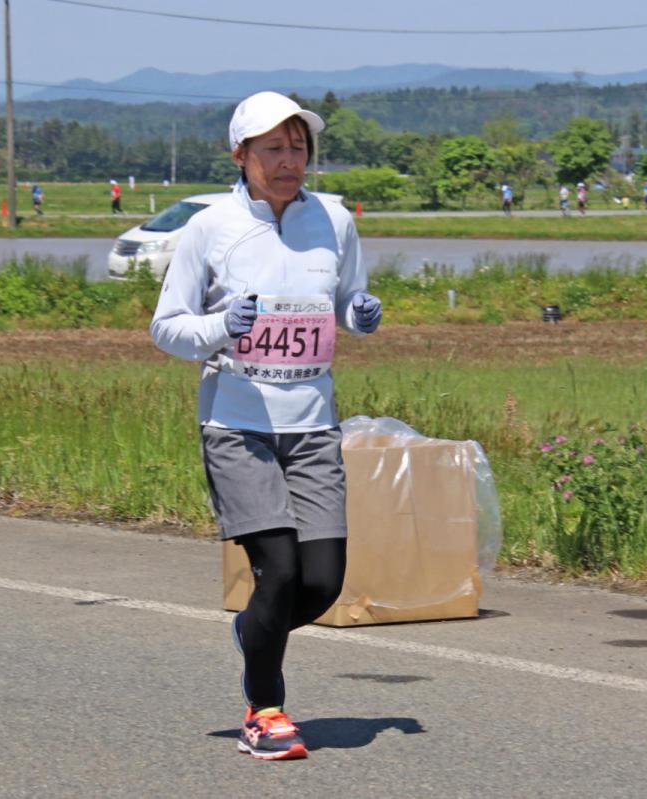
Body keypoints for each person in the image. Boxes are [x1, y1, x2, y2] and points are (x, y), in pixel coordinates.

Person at [150, 90, 381, 762]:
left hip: (312, 421)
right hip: (236, 419)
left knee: (323, 580)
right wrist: (224, 326)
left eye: (299, 147)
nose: (289, 161)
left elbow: (346, 300)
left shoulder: (334, 220)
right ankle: (266, 711)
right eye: (273, 149)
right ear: (241, 156)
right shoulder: (209, 228)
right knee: (277, 570)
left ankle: (255, 629)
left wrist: (361, 313)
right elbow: (166, 326)